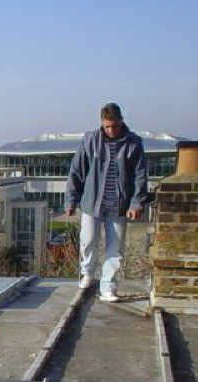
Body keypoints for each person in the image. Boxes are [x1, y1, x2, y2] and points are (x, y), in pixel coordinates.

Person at [65, 102, 148, 302]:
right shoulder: (90, 140)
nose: (111, 130)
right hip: (92, 202)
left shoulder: (134, 143)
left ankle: (108, 286)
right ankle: (87, 273)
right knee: (88, 240)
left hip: (119, 205)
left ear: (121, 122)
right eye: (107, 126)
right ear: (102, 124)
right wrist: (71, 200)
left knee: (115, 248)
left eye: (115, 125)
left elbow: (140, 176)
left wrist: (136, 203)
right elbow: (76, 171)